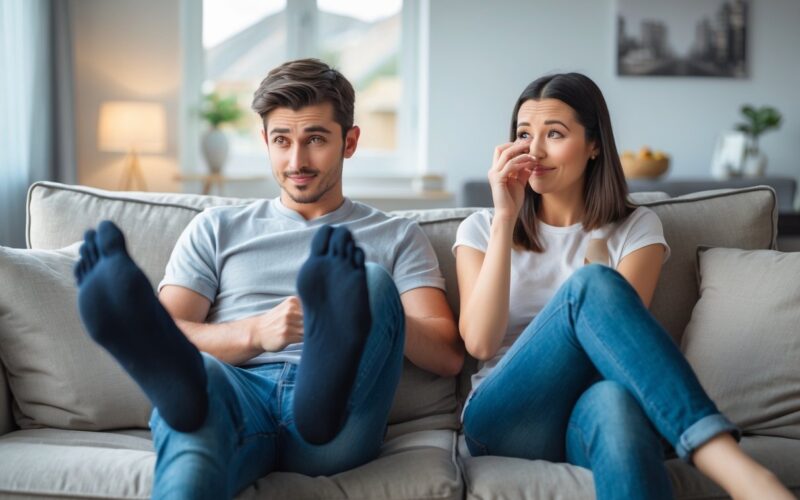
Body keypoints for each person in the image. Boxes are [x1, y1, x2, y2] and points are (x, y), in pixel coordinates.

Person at [73, 58, 464, 499]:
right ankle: (189, 390)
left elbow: (448, 357)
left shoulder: (395, 235)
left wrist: (358, 311)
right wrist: (256, 333)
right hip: (236, 394)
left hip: (343, 414)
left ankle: (320, 392)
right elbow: (174, 328)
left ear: (350, 142)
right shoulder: (216, 227)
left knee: (372, 281)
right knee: (196, 401)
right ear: (265, 141)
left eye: (315, 139)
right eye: (282, 140)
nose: (297, 160)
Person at [453, 72, 792, 500]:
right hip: (505, 418)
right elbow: (481, 344)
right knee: (593, 284)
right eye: (524, 134)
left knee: (615, 402)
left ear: (594, 145)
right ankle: (731, 464)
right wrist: (505, 218)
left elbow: (617, 355)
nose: (534, 151)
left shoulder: (635, 229)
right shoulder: (481, 228)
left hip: (588, 412)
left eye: (554, 134)